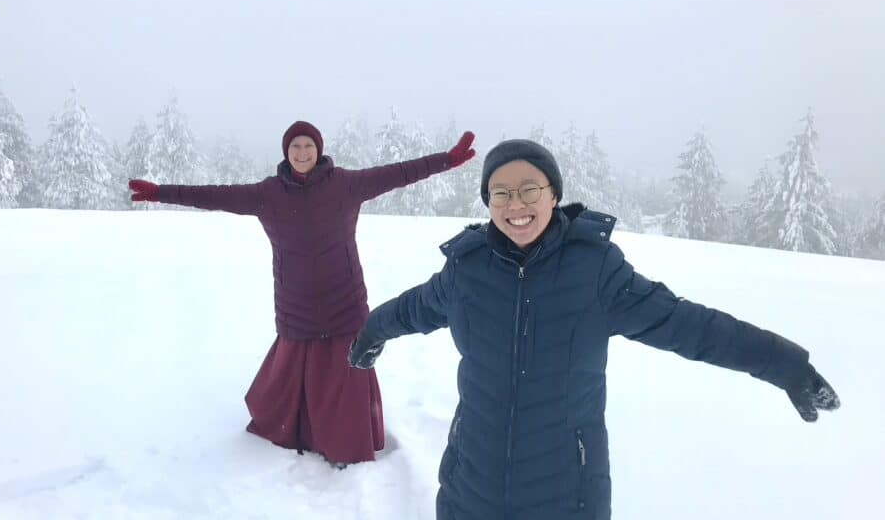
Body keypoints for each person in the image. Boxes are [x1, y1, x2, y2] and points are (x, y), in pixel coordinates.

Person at [349, 139, 840, 519]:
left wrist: (783, 363)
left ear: (554, 194)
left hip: (565, 493)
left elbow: (686, 324)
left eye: (529, 190)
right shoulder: (466, 271)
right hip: (470, 487)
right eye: (501, 193)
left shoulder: (596, 271)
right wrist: (372, 332)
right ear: (488, 203)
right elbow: (414, 308)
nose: (515, 204)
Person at [128, 120, 476, 466]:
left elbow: (399, 172)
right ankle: (291, 433)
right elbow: (213, 195)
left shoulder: (346, 185)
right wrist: (161, 192)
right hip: (296, 302)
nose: (302, 152)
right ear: (286, 152)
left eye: (308, 146)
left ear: (319, 150)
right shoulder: (267, 194)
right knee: (294, 375)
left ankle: (346, 444)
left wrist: (447, 159)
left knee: (346, 372)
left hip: (344, 297)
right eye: (295, 147)